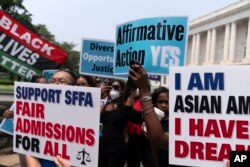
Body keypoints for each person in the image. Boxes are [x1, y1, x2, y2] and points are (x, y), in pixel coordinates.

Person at [25, 69, 77, 167]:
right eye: (52, 81)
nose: (55, 84)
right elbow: (31, 153)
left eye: (61, 81)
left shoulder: (87, 117)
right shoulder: (37, 114)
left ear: (74, 87)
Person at [98, 79, 143, 167]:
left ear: (122, 91)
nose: (112, 90)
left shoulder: (124, 108)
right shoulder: (105, 105)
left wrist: (130, 94)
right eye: (111, 87)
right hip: (102, 146)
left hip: (116, 149)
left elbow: (137, 117)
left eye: (116, 87)